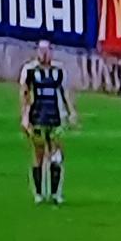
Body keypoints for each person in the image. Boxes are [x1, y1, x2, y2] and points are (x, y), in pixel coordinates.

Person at [19, 40, 78, 204]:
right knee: (38, 154)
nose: (45, 54)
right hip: (37, 117)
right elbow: (24, 93)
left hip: (55, 117)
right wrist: (24, 116)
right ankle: (38, 193)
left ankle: (55, 193)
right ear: (37, 52)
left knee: (56, 155)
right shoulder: (30, 70)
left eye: (47, 50)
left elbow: (65, 93)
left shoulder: (58, 70)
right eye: (42, 50)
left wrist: (72, 112)